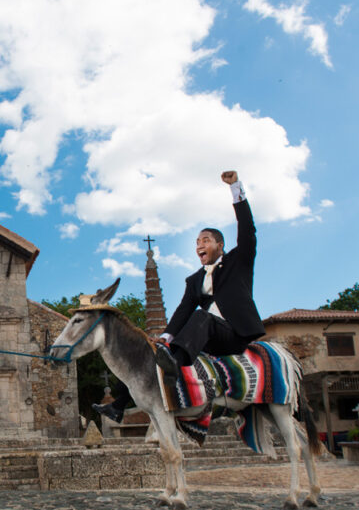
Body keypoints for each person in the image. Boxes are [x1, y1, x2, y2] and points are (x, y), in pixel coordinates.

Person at [93, 171, 265, 422]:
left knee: (200, 317)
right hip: (206, 337)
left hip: (233, 334)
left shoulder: (239, 262)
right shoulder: (194, 280)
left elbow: (248, 231)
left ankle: (172, 369)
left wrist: (236, 189)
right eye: (196, 242)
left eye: (205, 240)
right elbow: (183, 310)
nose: (199, 245)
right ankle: (118, 404)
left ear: (220, 245)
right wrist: (163, 339)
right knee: (149, 350)